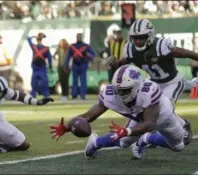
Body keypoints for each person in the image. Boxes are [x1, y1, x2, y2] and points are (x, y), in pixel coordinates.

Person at [50, 65, 191, 159]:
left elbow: (149, 123)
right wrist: (69, 127)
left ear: (137, 86)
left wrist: (128, 131)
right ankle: (95, 142)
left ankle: (146, 139)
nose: (121, 93)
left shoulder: (149, 91)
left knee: (178, 146)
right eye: (118, 89)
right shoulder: (110, 93)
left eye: (125, 90)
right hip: (139, 116)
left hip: (160, 115)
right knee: (123, 142)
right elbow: (88, 116)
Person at [108, 19, 197, 143]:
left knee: (164, 109)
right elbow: (122, 65)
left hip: (173, 82)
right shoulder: (130, 49)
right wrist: (114, 65)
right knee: (149, 113)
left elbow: (184, 52)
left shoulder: (161, 46)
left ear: (150, 36)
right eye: (135, 38)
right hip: (154, 84)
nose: (138, 41)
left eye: (141, 38)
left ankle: (182, 126)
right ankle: (151, 137)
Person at [64, 33, 96, 100]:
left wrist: (88, 55)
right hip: (75, 65)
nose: (78, 38)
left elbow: (93, 55)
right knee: (74, 81)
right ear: (76, 37)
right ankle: (74, 95)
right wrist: (66, 65)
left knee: (83, 81)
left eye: (80, 36)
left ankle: (82, 95)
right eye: (78, 36)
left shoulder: (86, 46)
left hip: (83, 64)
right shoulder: (73, 46)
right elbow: (68, 57)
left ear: (81, 37)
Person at [27, 32, 52, 98]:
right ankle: (38, 94)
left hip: (40, 67)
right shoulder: (37, 47)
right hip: (37, 67)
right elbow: (49, 58)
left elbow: (28, 39)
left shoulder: (38, 47)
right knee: (36, 82)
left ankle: (44, 94)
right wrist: (50, 65)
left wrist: (34, 36)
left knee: (40, 81)